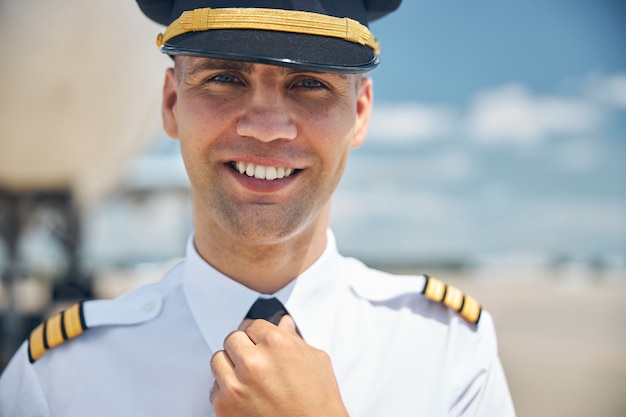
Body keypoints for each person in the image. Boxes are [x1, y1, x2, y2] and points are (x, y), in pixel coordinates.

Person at [0, 1, 516, 416]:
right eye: (224, 79)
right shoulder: (55, 380)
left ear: (359, 114)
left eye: (311, 83)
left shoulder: (449, 353)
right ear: (171, 103)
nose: (267, 126)